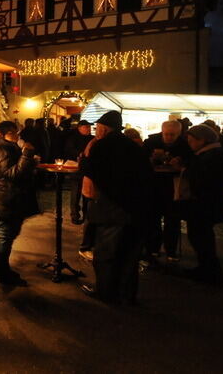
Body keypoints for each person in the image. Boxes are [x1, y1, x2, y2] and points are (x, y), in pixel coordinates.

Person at [80, 110, 152, 305]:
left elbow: (92, 171)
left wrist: (85, 159)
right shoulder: (135, 146)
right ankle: (127, 294)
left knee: (106, 254)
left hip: (112, 208)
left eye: (98, 128)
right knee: (129, 255)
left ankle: (106, 292)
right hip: (137, 208)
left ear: (103, 128)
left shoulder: (101, 146)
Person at [181, 124, 223, 285]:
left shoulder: (211, 156)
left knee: (201, 237)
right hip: (208, 203)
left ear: (202, 140)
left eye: (191, 140)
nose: (190, 144)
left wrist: (185, 170)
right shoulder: (213, 153)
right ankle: (206, 269)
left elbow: (203, 180)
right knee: (201, 237)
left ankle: (211, 273)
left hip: (205, 204)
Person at [0, 121, 37, 285]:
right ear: (3, 134)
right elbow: (13, 174)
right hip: (7, 199)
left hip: (12, 198)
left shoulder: (10, 147)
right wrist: (26, 156)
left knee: (9, 232)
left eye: (16, 131)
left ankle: (0, 266)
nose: (17, 134)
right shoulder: (4, 150)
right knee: (5, 234)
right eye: (12, 132)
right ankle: (2, 271)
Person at [142, 120, 191, 261]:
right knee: (153, 219)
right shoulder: (151, 142)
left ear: (179, 133)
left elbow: (190, 161)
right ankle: (153, 248)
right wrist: (151, 159)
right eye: (166, 134)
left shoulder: (184, 145)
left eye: (172, 135)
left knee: (173, 219)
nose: (169, 137)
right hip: (154, 185)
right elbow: (142, 160)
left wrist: (181, 162)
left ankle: (171, 250)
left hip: (173, 186)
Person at [64, 120, 94, 225]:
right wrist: (80, 153)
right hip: (76, 169)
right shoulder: (73, 138)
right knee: (75, 194)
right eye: (86, 127)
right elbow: (69, 150)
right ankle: (75, 215)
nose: (89, 129)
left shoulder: (92, 139)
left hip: (88, 170)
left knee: (87, 194)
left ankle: (86, 215)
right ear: (80, 128)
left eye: (89, 128)